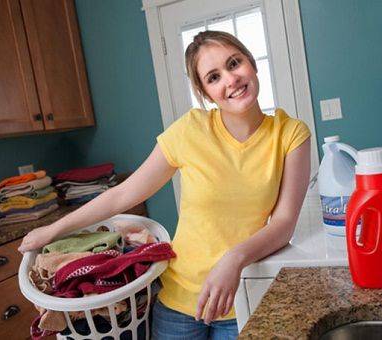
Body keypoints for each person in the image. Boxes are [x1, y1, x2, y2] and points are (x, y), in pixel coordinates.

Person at [19, 30, 311, 339]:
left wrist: (233, 260)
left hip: (243, 297)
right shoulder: (190, 130)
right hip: (178, 303)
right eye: (213, 77)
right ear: (204, 91)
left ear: (251, 63)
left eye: (234, 63)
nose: (231, 80)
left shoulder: (289, 134)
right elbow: (123, 194)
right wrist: (53, 230)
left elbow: (284, 223)